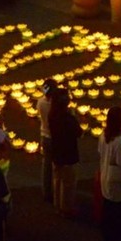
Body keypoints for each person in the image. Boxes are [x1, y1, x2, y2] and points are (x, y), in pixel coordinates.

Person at [99, 106, 121, 241]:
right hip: (116, 182)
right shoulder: (119, 142)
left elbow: (100, 153)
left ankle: (108, 236)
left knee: (108, 208)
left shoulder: (103, 136)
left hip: (105, 175)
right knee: (119, 212)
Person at [48, 88, 83, 218]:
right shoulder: (68, 118)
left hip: (56, 152)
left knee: (57, 179)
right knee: (68, 183)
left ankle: (57, 205)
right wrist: (73, 117)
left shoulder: (52, 115)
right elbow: (79, 133)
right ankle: (66, 208)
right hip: (69, 154)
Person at [37, 79, 58, 203]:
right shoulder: (56, 105)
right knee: (57, 165)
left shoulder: (40, 102)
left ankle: (46, 191)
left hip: (44, 136)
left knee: (46, 165)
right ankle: (57, 191)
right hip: (55, 138)